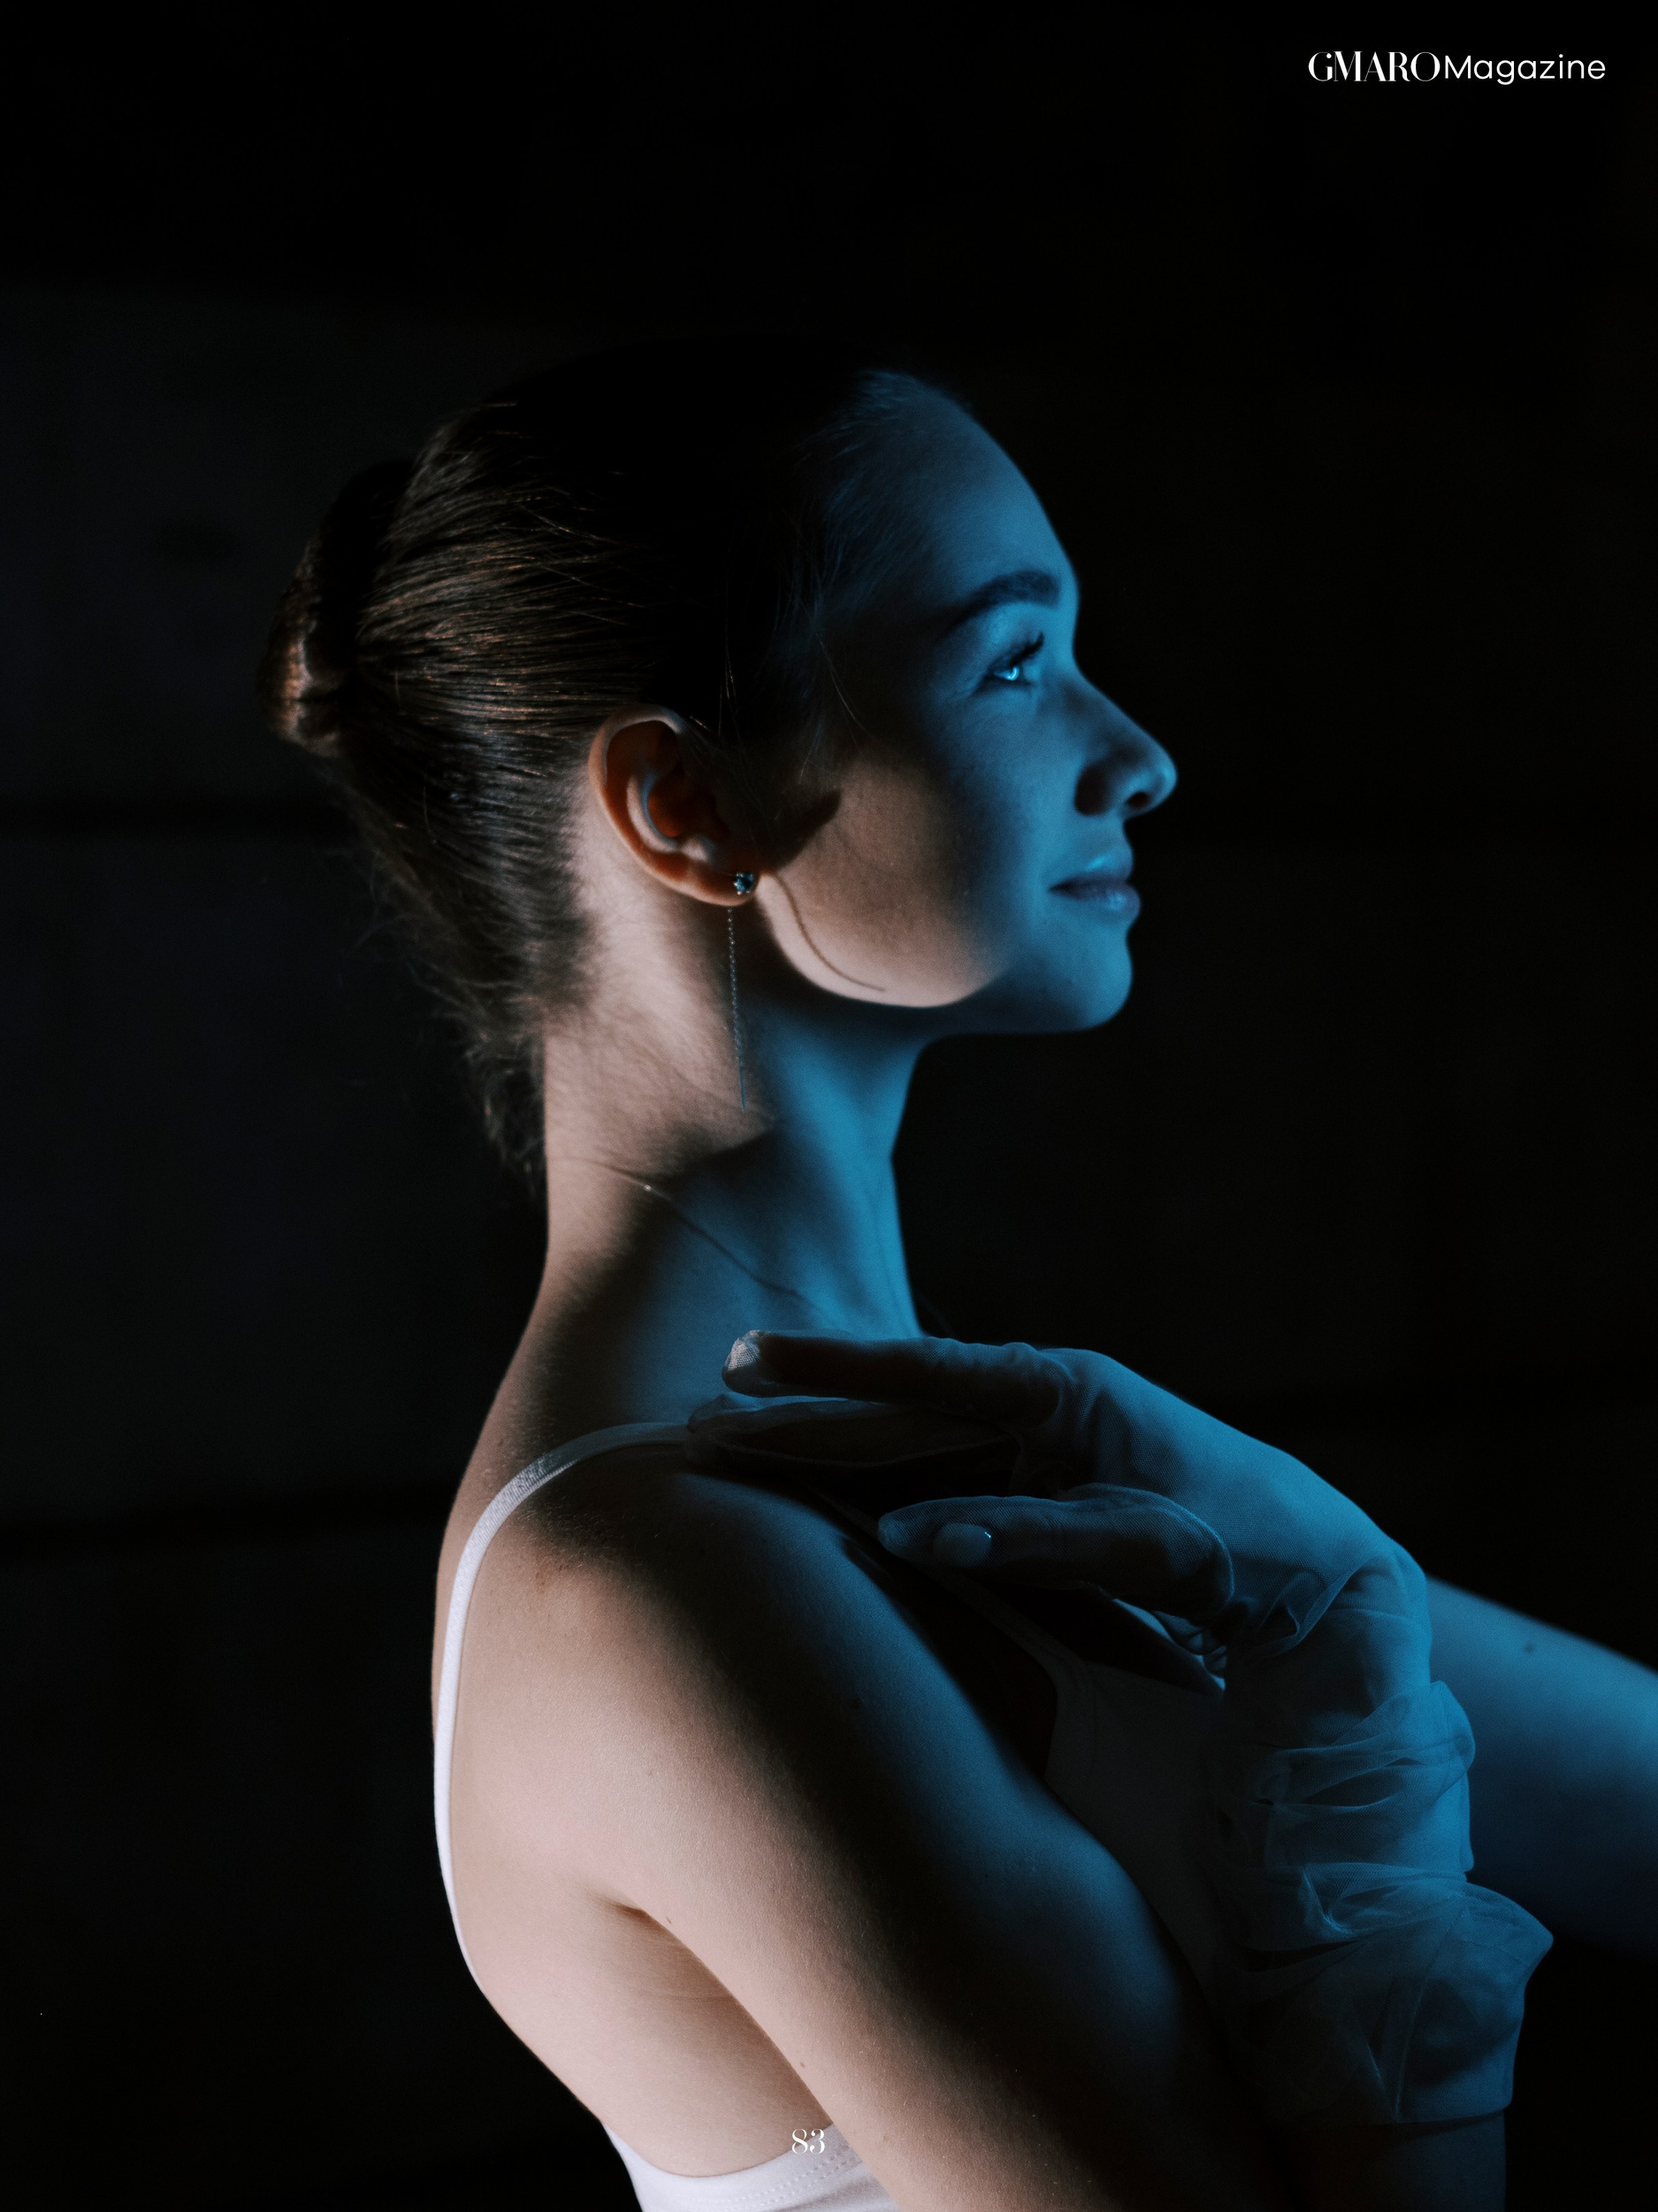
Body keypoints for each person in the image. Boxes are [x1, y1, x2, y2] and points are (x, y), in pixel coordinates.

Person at [260, 342, 1658, 2210]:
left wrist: (1350, 1599)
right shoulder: (650, 1584)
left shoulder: (985, 1476)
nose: (1138, 755)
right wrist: (1365, 1851)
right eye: (1012, 662)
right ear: (684, 805)